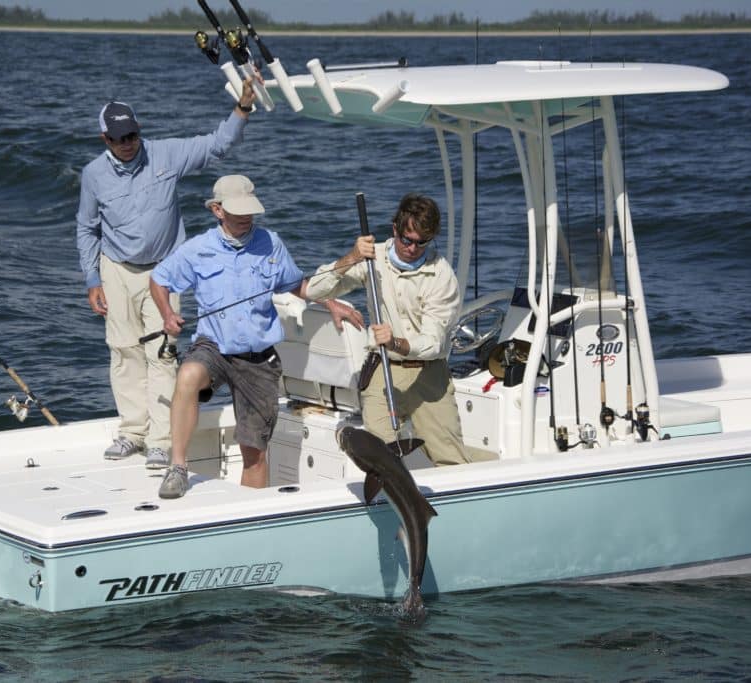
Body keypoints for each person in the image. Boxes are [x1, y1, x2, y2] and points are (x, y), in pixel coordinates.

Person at [75, 79, 258, 467]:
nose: (128, 143)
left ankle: (160, 440)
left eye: (133, 134)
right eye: (119, 137)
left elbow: (217, 145)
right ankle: (131, 432)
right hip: (116, 270)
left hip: (164, 272)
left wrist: (242, 108)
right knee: (124, 353)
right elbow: (87, 228)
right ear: (104, 138)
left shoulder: (166, 155)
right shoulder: (93, 175)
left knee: (163, 354)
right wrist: (92, 278)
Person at [150, 175, 360, 498]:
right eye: (237, 212)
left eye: (250, 211)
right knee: (189, 374)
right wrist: (167, 314)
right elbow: (159, 279)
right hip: (214, 347)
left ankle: (249, 513)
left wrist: (331, 303)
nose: (246, 218)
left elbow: (298, 284)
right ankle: (178, 467)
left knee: (255, 454)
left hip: (259, 357)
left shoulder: (271, 243)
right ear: (217, 210)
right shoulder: (198, 250)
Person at [305, 193, 477, 466]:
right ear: (394, 229)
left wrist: (396, 342)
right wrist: (350, 258)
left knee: (450, 460)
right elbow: (314, 289)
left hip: (428, 373)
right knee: (379, 459)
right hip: (383, 371)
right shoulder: (373, 258)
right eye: (407, 240)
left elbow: (432, 343)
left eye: (422, 243)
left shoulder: (441, 275)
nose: (412, 248)